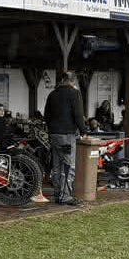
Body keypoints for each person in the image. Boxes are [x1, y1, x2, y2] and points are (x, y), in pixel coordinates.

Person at [43, 70, 89, 205]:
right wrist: (83, 130)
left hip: (54, 135)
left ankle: (58, 193)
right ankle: (65, 196)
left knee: (56, 166)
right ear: (73, 81)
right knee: (68, 166)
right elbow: (78, 114)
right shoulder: (74, 93)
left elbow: (46, 115)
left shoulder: (52, 94)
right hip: (67, 135)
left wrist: (52, 129)